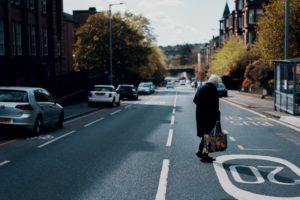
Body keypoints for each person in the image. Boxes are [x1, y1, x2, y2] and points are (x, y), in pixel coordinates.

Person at [193, 74, 221, 162]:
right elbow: (215, 107)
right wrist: (217, 118)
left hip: (200, 116)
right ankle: (204, 155)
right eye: (217, 83)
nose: (217, 85)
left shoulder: (201, 88)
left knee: (206, 135)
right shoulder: (213, 90)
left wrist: (202, 106)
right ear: (215, 82)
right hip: (210, 117)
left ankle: (200, 152)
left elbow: (194, 100)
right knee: (208, 136)